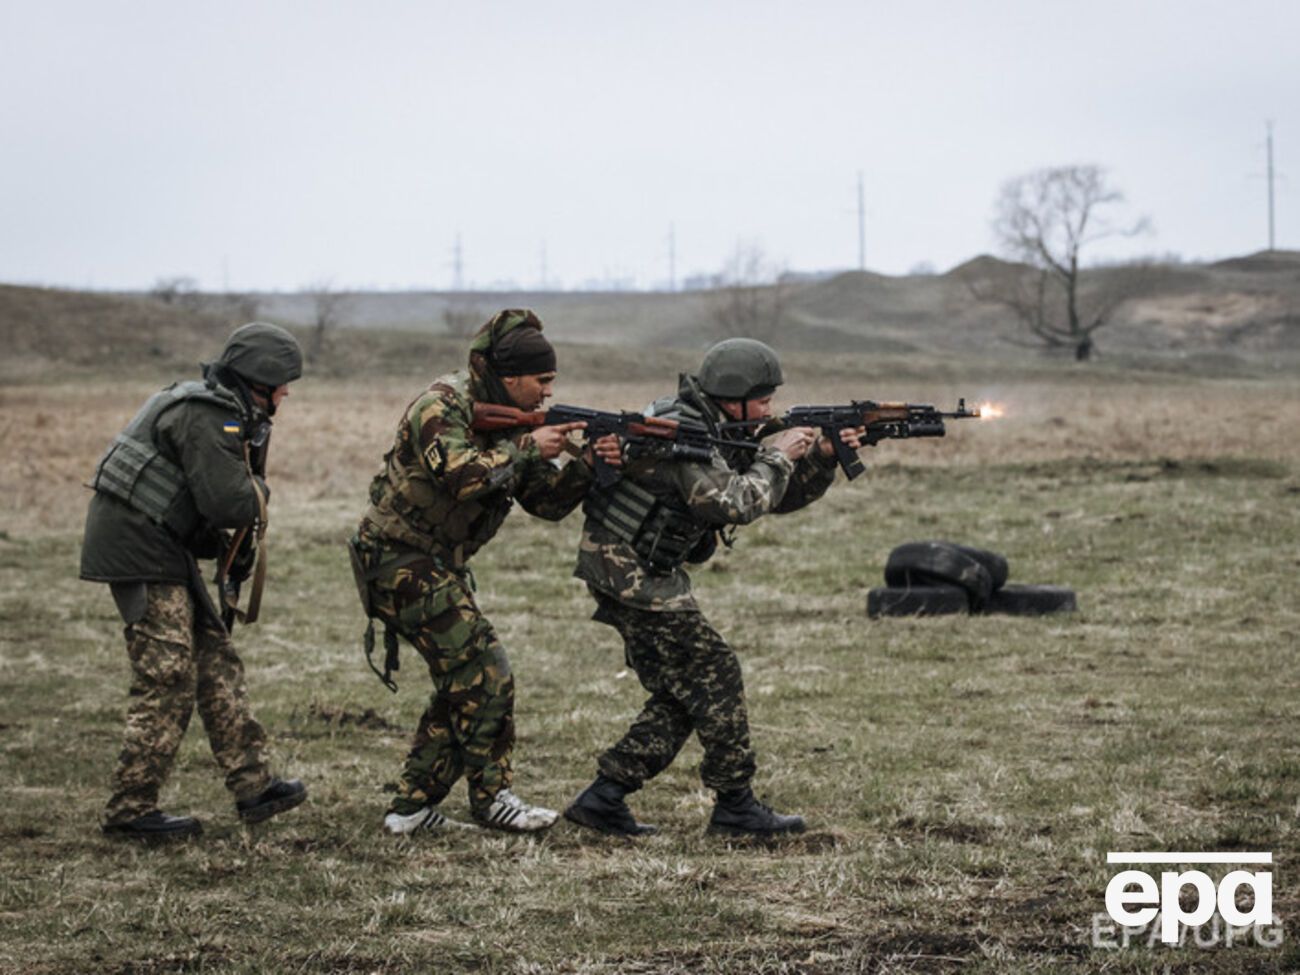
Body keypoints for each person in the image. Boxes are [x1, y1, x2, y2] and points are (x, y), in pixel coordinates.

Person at [564, 338, 862, 838]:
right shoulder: (684, 431)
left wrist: (821, 459)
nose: (770, 410)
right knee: (716, 673)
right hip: (629, 571)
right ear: (733, 394)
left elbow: (770, 499)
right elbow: (733, 504)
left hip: (642, 569)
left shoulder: (717, 425)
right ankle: (736, 807)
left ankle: (604, 797)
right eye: (763, 399)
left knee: (688, 690)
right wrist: (780, 456)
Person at [351, 309, 617, 835]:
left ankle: (411, 809)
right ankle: (493, 799)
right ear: (509, 377)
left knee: (465, 680)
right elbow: (463, 477)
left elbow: (545, 501)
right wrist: (524, 449)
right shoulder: (441, 406)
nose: (545, 394)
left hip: (432, 563)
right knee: (487, 672)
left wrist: (591, 466)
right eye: (540, 381)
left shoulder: (518, 424)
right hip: (396, 558)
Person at [81, 322, 308, 841]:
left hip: (162, 544)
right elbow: (229, 501)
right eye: (282, 384)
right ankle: (129, 812)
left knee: (216, 662)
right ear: (259, 381)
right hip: (139, 547)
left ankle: (254, 787)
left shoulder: (219, 408)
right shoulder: (210, 414)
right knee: (169, 676)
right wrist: (259, 491)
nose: (287, 394)